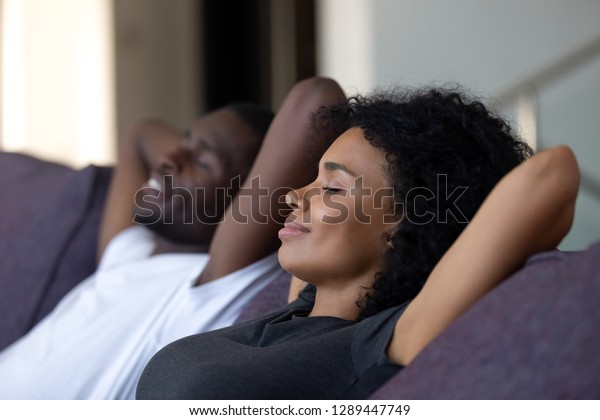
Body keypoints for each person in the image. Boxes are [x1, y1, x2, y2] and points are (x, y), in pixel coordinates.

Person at [136, 86, 580, 399]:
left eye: (331, 189)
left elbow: (552, 173)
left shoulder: (377, 342)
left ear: (404, 226)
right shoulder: (300, 303)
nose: (294, 195)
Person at [0, 80, 346, 400]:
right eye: (183, 142)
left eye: (201, 160)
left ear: (245, 199)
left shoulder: (210, 283)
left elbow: (318, 98)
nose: (167, 159)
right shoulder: (129, 253)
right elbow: (140, 136)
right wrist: (192, 155)